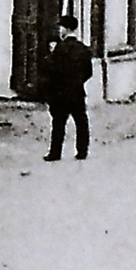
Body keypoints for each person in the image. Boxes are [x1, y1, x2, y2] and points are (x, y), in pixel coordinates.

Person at [42, 13, 94, 161]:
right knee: (81, 121)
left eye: (61, 28)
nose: (60, 31)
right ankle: (82, 151)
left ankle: (55, 153)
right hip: (77, 91)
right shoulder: (83, 49)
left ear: (66, 29)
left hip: (60, 92)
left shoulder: (59, 49)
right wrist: (77, 81)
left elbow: (50, 69)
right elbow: (88, 72)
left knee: (58, 123)